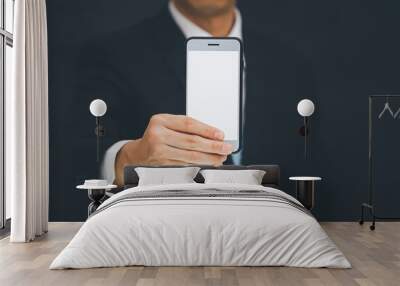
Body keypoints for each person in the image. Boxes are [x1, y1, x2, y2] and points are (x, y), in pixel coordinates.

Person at [77, 0, 314, 186]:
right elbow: (74, 159)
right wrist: (129, 159)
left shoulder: (290, 63)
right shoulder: (110, 54)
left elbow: (314, 162)